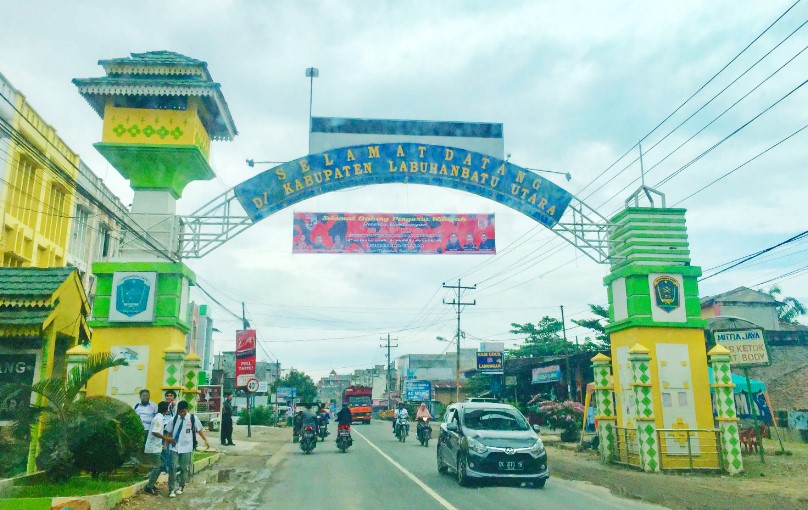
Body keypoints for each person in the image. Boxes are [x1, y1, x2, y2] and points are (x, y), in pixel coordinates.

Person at [165, 400, 210, 498]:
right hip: (174, 447)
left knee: (184, 468)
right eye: (180, 412)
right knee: (172, 467)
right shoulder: (174, 419)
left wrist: (205, 440)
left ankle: (181, 486)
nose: (182, 414)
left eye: (184, 412)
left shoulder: (193, 418)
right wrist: (166, 443)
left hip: (187, 447)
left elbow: (200, 430)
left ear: (187, 410)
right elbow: (168, 432)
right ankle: (172, 488)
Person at [143, 401, 171, 496]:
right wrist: (166, 438)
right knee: (157, 467)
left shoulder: (159, 417)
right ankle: (148, 487)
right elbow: (155, 432)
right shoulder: (159, 418)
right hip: (153, 447)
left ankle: (151, 484)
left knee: (160, 466)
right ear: (166, 409)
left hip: (156, 447)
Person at [160, 389, 177, 473]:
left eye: (171, 396)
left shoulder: (175, 406)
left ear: (174, 397)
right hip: (161, 429)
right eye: (167, 395)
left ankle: (167, 467)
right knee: (162, 449)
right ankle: (163, 466)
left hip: (170, 430)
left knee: (167, 448)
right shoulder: (163, 405)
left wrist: (174, 405)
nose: (169, 397)